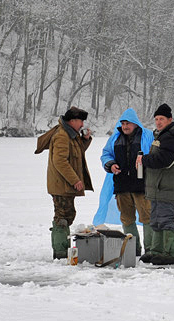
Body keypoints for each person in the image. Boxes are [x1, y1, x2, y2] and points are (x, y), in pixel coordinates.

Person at [34, 106, 93, 260]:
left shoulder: (70, 134)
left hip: (64, 184)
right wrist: (75, 180)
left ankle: (61, 250)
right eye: (80, 121)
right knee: (62, 216)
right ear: (72, 121)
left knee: (67, 214)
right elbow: (60, 161)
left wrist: (85, 141)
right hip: (62, 185)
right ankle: (60, 253)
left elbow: (75, 154)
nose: (82, 125)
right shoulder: (62, 135)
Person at [136, 103, 174, 265]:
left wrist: (144, 159)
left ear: (170, 119)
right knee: (156, 219)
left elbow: (164, 160)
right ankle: (157, 251)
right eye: (156, 119)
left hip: (167, 187)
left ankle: (171, 253)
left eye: (162, 119)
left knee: (165, 219)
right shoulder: (161, 135)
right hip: (158, 187)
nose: (158, 122)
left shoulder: (172, 136)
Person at [100, 108, 154, 257]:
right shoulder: (115, 137)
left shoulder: (147, 136)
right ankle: (133, 249)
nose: (125, 126)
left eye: (128, 123)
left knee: (147, 217)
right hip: (122, 185)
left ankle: (150, 249)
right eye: (123, 123)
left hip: (142, 185)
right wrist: (110, 164)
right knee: (126, 218)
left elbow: (156, 155)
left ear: (136, 124)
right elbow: (106, 154)